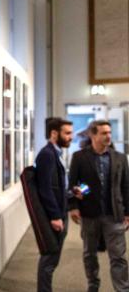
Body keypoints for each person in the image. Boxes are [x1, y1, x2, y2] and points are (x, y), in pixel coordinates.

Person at [68, 120, 129, 292]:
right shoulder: (79, 157)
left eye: (109, 132)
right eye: (103, 133)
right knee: (90, 255)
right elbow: (73, 184)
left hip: (114, 214)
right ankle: (93, 285)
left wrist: (128, 212)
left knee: (118, 257)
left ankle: (123, 289)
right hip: (89, 214)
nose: (108, 136)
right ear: (93, 135)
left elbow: (126, 186)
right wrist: (73, 206)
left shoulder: (120, 158)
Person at [35, 117, 73, 292]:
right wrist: (55, 216)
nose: (71, 137)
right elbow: (45, 188)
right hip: (55, 216)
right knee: (49, 260)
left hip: (61, 212)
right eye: (67, 133)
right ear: (54, 133)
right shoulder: (47, 155)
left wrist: (71, 193)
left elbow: (56, 186)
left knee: (52, 260)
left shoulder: (56, 153)